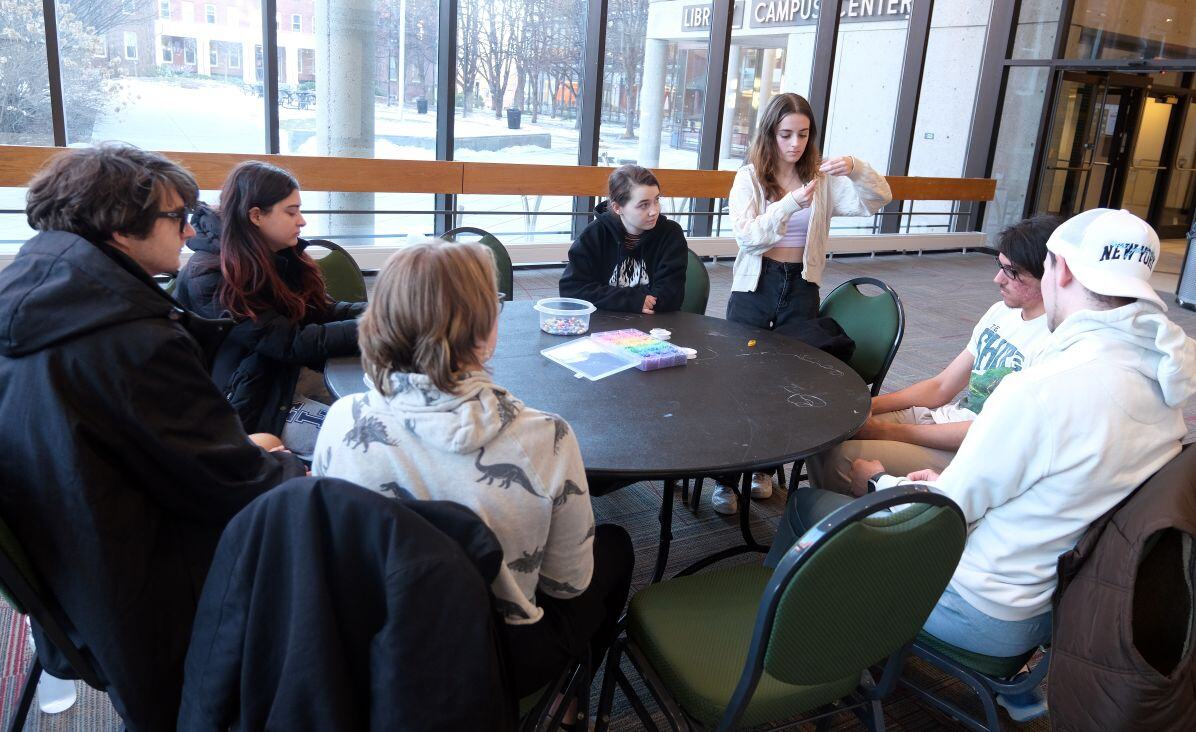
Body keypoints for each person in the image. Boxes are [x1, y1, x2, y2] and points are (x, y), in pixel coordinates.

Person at [766, 208, 1196, 721]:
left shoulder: (1045, 388)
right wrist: (932, 481)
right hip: (1048, 608)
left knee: (810, 507)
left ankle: (790, 666)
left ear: (1059, 271)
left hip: (977, 605)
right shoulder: (1165, 385)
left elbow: (937, 519)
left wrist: (879, 480)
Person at [0, 143, 306, 731]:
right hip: (146, 592)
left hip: (72, 572)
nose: (190, 227)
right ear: (119, 228)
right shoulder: (127, 336)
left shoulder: (35, 298)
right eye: (176, 216)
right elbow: (231, 486)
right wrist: (294, 468)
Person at [314, 240, 635, 702]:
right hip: (490, 663)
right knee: (617, 547)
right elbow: (569, 583)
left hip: (370, 645)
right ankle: (573, 705)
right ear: (483, 333)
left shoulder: (343, 421)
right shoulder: (547, 439)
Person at [712, 92, 893, 514]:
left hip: (801, 286)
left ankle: (764, 471)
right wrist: (791, 202)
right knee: (739, 382)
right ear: (770, 134)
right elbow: (749, 237)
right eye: (786, 134)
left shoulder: (822, 179)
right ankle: (724, 479)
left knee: (785, 384)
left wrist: (857, 168)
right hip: (755, 285)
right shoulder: (749, 178)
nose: (795, 144)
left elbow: (877, 198)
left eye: (803, 134)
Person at [806, 215, 1059, 494]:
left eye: (1012, 272)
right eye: (1000, 265)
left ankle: (856, 528)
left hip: (971, 450)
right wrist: (868, 406)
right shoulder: (1001, 312)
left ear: (1050, 276)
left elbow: (991, 433)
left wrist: (885, 431)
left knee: (841, 458)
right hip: (943, 420)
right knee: (828, 432)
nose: (997, 279)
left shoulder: (1055, 344)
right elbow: (941, 386)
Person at [175, 161, 364, 457]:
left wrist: (385, 310)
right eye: (291, 212)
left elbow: (322, 311)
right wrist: (378, 326)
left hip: (286, 379)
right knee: (369, 440)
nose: (301, 222)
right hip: (251, 404)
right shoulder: (210, 274)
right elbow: (289, 342)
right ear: (256, 216)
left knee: (390, 414)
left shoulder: (279, 256)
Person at [559, 164, 688, 313]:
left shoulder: (670, 234)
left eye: (656, 200)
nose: (654, 211)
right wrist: (634, 300)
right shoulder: (595, 233)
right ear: (617, 207)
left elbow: (671, 296)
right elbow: (571, 289)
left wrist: (604, 296)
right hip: (603, 326)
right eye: (644, 205)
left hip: (655, 326)